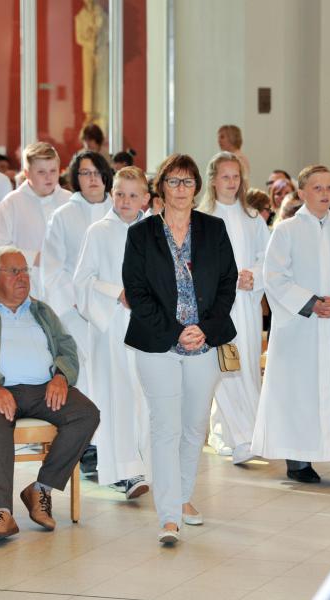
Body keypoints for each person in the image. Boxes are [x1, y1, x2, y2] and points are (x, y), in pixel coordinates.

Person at [0, 247, 100, 545]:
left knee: (86, 413)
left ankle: (41, 489)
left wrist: (60, 375)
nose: (22, 278)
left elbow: (67, 348)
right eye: (13, 271)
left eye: (25, 271)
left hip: (42, 388)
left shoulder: (41, 310)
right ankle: (0, 513)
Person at [122, 153, 236, 544]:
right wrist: (175, 331)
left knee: (193, 428)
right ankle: (169, 516)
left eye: (188, 182)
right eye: (174, 181)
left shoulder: (214, 229)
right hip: (157, 344)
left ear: (196, 189)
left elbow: (227, 283)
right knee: (165, 428)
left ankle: (183, 496)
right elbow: (136, 291)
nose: (181, 189)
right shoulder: (141, 234)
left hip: (205, 342)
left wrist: (203, 329)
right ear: (161, 187)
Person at [253, 164, 330, 487]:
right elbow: (275, 277)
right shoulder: (286, 230)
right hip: (299, 328)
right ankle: (298, 459)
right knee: (299, 393)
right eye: (317, 188)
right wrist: (310, 302)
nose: (325, 194)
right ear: (303, 192)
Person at [73, 166, 151, 499]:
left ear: (146, 199)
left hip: (148, 327)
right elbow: (81, 282)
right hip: (112, 328)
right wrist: (116, 292)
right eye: (119, 193)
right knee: (116, 397)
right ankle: (125, 471)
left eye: (133, 195)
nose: (125, 201)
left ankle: (147, 464)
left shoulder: (154, 231)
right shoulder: (98, 231)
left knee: (145, 397)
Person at [197, 152, 270, 465]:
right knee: (223, 367)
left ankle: (232, 434)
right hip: (215, 305)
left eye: (235, 177)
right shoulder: (200, 217)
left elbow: (268, 257)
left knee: (246, 367)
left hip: (246, 303)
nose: (230, 182)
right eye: (225, 176)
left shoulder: (252, 218)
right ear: (213, 179)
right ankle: (244, 438)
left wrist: (254, 274)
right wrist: (224, 278)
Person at [42, 150, 114, 405]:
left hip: (114, 306)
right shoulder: (63, 215)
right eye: (85, 173)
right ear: (76, 177)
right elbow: (52, 267)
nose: (92, 179)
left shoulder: (119, 211)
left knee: (112, 368)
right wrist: (76, 299)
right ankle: (90, 439)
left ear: (106, 176)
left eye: (96, 172)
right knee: (82, 366)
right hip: (75, 308)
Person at [0, 142, 71, 296]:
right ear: (26, 173)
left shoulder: (69, 201)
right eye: (41, 172)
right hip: (25, 285)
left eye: (53, 171)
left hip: (64, 288)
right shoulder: (12, 203)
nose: (49, 177)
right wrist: (33, 257)